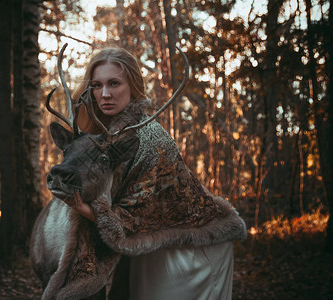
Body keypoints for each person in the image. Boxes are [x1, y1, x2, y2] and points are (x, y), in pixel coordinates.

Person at [55, 47, 247, 300]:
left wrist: (84, 209)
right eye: (97, 85)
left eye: (114, 83)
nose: (104, 94)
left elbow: (141, 214)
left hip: (184, 251)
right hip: (145, 249)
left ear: (133, 86)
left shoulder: (151, 137)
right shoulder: (101, 135)